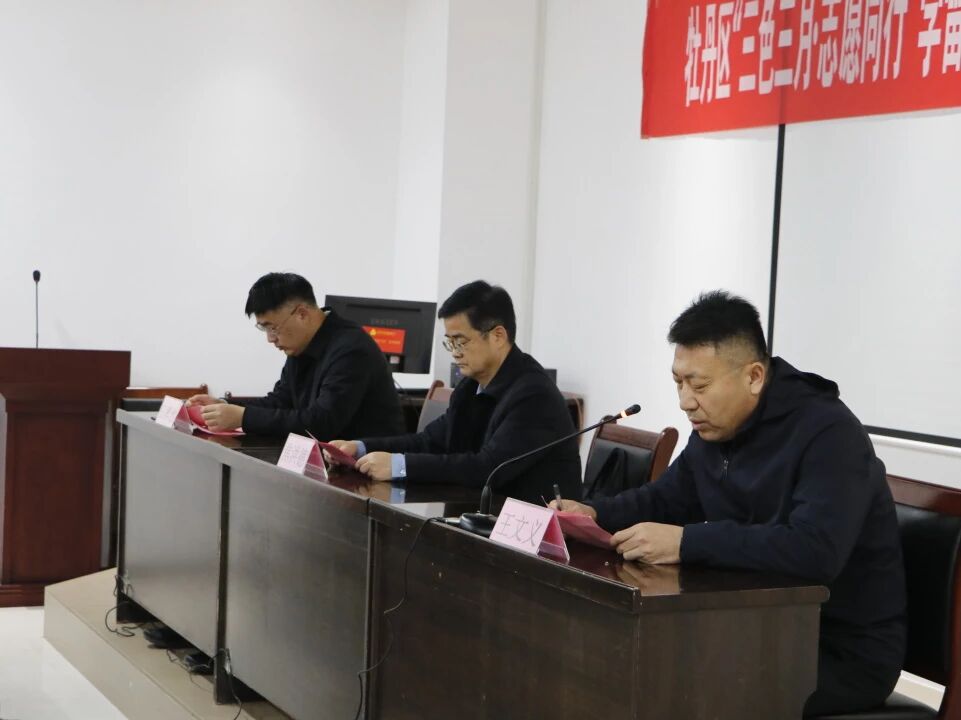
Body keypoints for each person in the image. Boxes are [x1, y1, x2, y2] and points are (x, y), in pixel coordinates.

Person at [555, 290, 906, 717]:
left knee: (673, 682)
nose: (685, 401)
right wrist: (595, 513)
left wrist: (687, 543)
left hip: (837, 649)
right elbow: (666, 498)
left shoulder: (828, 433)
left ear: (754, 376)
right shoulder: (716, 428)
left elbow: (815, 551)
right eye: (679, 383)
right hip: (753, 625)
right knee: (618, 657)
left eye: (699, 385)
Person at [327, 280, 581, 505]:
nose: (455, 352)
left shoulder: (534, 395)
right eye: (450, 342)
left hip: (533, 530)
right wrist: (360, 447)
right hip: (478, 513)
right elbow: (430, 441)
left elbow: (487, 468)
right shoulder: (470, 386)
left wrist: (399, 466)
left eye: (461, 341)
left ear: (498, 336)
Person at [186, 272, 404, 440]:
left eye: (273, 328)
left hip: (368, 468)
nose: (270, 339)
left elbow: (321, 423)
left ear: (301, 314)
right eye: (264, 329)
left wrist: (243, 417)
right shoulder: (301, 345)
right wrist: (225, 405)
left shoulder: (351, 349)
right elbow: (281, 402)